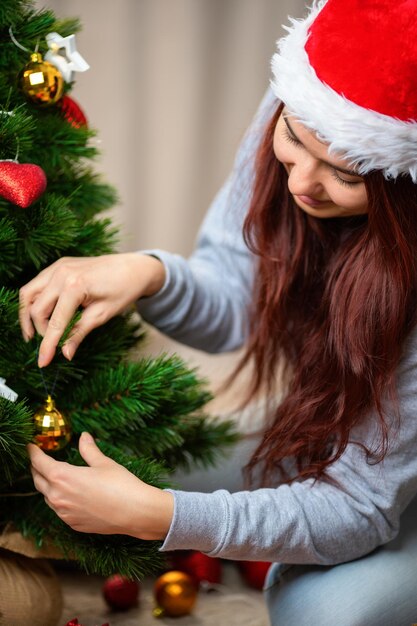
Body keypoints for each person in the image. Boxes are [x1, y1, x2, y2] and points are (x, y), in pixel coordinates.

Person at [23, 0, 417, 623]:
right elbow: (233, 304)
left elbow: (360, 507)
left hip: (385, 479)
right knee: (133, 465)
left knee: (326, 611)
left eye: (343, 174)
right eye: (292, 139)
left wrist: (163, 517)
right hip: (347, 444)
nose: (299, 185)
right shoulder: (303, 100)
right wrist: (149, 272)